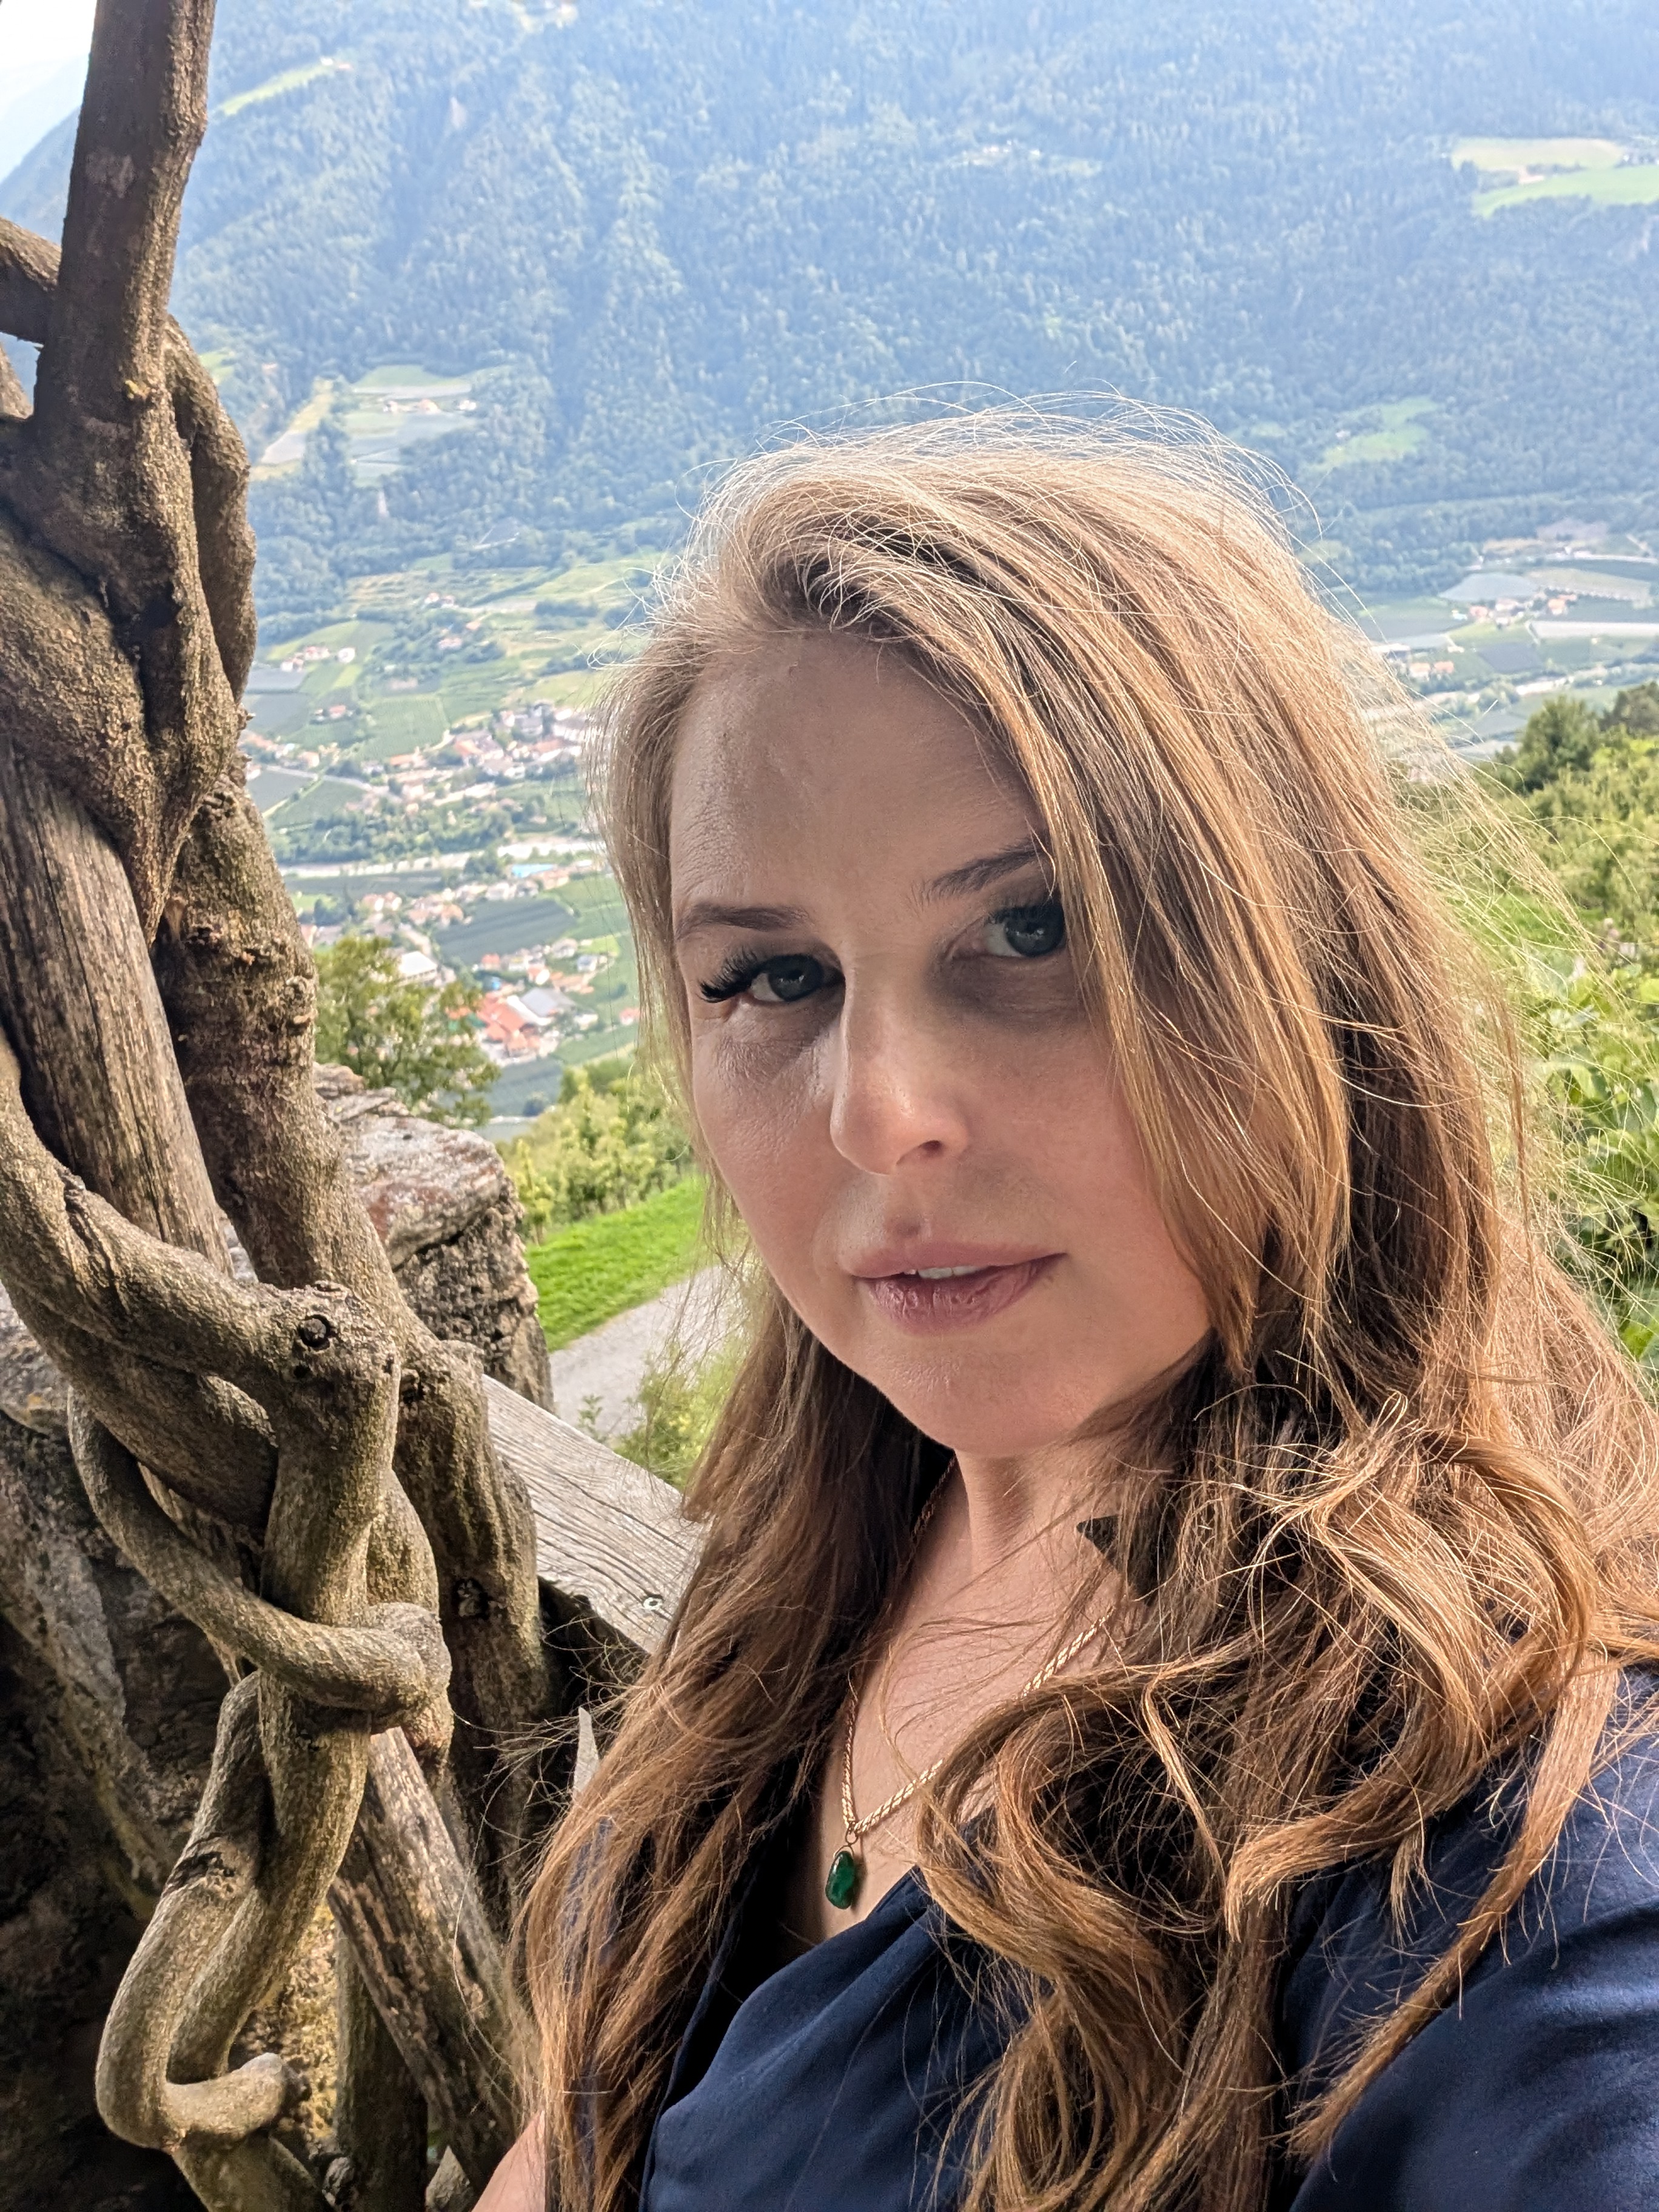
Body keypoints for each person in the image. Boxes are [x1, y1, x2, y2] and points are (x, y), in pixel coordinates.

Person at [480, 425, 1659, 2212]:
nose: (880, 1114)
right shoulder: (836, 1510)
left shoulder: (1520, 1857)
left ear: (1302, 972)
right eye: (775, 977)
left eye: (1032, 932)